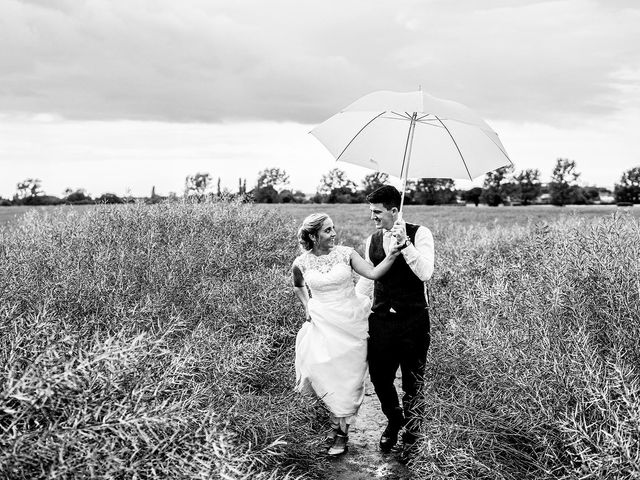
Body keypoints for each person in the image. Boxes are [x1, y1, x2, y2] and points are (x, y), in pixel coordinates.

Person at [291, 212, 402, 456]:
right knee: (322, 372)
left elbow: (373, 274)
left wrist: (393, 253)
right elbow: (299, 286)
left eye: (333, 228)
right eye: (327, 230)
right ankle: (334, 423)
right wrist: (307, 305)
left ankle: (341, 433)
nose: (334, 234)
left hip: (351, 322)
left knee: (347, 379)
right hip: (321, 324)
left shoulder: (346, 254)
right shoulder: (301, 262)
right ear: (313, 235)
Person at [355, 185, 435, 459]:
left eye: (377, 212)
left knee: (413, 382)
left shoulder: (420, 233)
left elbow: (425, 273)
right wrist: (351, 308)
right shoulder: (373, 240)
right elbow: (369, 278)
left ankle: (413, 434)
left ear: (393, 210)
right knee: (379, 378)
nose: (373, 217)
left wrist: (407, 246)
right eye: (371, 212)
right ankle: (394, 418)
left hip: (413, 321)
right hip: (380, 322)